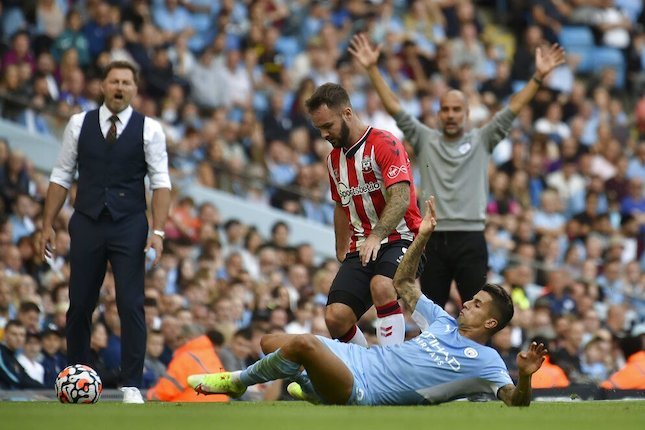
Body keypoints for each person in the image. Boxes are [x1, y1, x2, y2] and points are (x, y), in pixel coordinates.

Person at [187, 197, 548, 406]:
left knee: (304, 344)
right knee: (270, 344)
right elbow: (403, 281)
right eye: (474, 297)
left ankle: (237, 382)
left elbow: (515, 400)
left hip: (368, 391)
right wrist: (421, 236)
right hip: (360, 358)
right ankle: (313, 387)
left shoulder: (486, 362)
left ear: (490, 323)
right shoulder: (441, 320)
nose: (468, 302)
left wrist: (527, 378)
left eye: (479, 304)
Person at [349, 33, 566, 308]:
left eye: (456, 110)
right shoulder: (425, 138)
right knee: (432, 312)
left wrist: (537, 77)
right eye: (445, 110)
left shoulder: (482, 139)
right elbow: (394, 107)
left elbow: (513, 107)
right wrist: (371, 68)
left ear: (466, 114)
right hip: (433, 237)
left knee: (477, 310)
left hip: (471, 236)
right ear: (439, 114)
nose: (450, 114)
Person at [41, 60, 172, 404]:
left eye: (126, 82)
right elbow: (61, 174)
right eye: (114, 81)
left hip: (129, 223)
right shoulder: (77, 124)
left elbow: (161, 184)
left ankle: (131, 384)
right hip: (86, 220)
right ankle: (75, 376)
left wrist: (157, 230)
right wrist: (46, 224)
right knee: (80, 303)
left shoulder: (150, 129)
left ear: (134, 88)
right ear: (102, 85)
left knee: (131, 303)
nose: (119, 87)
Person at [304, 82, 423, 346]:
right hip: (362, 245)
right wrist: (340, 247)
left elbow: (401, 198)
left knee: (382, 287)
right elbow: (340, 204)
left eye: (327, 126)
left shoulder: (385, 143)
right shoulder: (333, 160)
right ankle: (365, 369)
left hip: (402, 237)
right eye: (318, 129)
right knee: (335, 318)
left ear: (347, 113)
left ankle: (390, 369)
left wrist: (376, 235)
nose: (323, 134)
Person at [0, 320, 44, 389]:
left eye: (22, 335)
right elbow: (15, 379)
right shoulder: (1, 353)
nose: (18, 338)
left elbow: (25, 377)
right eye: (14, 334)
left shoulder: (12, 357)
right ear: (5, 335)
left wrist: (46, 388)